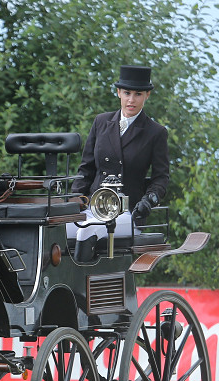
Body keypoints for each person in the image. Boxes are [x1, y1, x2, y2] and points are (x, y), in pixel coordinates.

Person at [68, 65, 169, 262]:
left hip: (127, 212)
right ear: (118, 93)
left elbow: (161, 178)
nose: (131, 100)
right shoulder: (101, 122)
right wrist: (75, 198)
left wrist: (150, 200)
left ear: (147, 95)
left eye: (138, 94)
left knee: (87, 232)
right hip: (93, 207)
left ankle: (83, 283)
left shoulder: (155, 132)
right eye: (127, 93)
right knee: (62, 228)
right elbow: (86, 169)